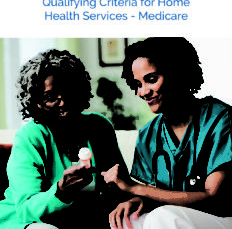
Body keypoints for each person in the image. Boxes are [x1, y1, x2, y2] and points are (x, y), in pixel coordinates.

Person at [102, 37, 232, 229]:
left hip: (224, 216)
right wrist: (139, 201)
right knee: (125, 220)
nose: (143, 92)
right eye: (137, 84)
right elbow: (156, 194)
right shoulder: (148, 136)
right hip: (175, 216)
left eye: (151, 80)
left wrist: (135, 187)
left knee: (162, 217)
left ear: (178, 73)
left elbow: (214, 199)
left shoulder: (220, 119)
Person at [0, 49, 129, 229]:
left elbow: (120, 186)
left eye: (69, 90)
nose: (64, 102)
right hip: (28, 222)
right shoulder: (30, 137)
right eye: (51, 97)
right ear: (36, 102)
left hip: (83, 219)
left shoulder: (99, 127)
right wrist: (60, 191)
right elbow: (26, 209)